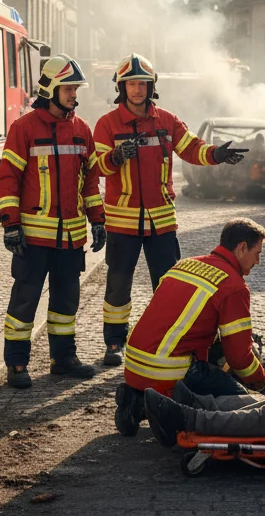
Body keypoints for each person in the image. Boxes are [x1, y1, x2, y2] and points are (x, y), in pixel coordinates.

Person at [93, 54, 247, 366]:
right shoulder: (107, 124)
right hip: (122, 223)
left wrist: (216, 153)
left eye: (143, 84)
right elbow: (95, 166)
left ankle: (167, 339)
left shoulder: (166, 121)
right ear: (122, 88)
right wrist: (116, 156)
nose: (138, 90)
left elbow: (192, 148)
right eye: (132, 84)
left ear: (152, 87)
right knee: (118, 283)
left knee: (167, 286)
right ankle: (114, 342)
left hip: (161, 221)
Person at [0, 54, 105, 389]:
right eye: (69, 88)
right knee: (25, 300)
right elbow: (8, 178)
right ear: (51, 89)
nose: (74, 94)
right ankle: (16, 364)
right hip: (33, 237)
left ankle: (63, 358)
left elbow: (89, 182)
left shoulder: (81, 130)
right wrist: (11, 224)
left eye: (75, 88)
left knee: (65, 302)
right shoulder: (24, 128)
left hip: (71, 239)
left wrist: (97, 220)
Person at [114, 218, 265, 437]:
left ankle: (138, 400)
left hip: (134, 364)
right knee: (238, 402)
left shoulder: (186, 264)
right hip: (168, 371)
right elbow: (238, 358)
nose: (258, 261)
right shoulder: (233, 286)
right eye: (258, 253)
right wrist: (263, 382)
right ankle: (161, 409)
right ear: (242, 248)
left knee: (216, 357)